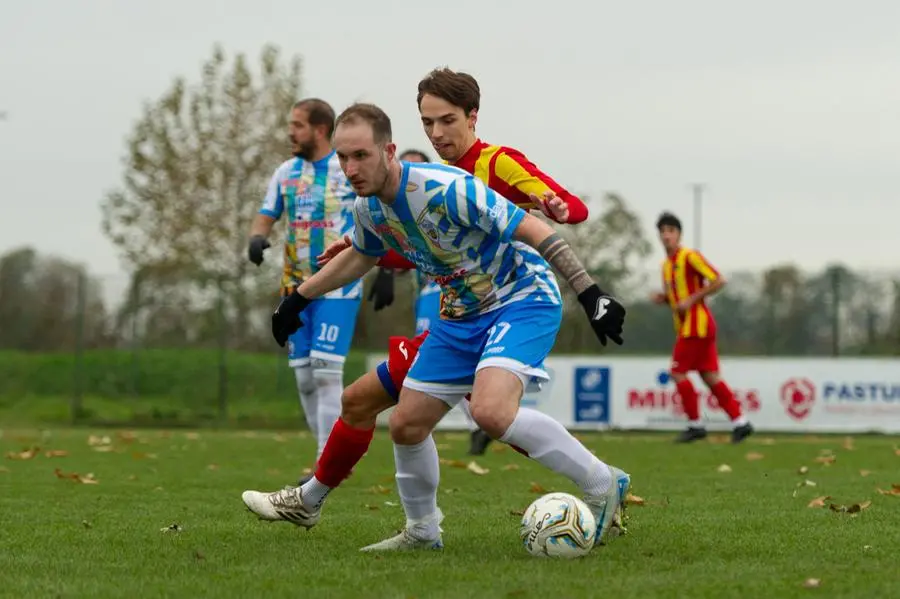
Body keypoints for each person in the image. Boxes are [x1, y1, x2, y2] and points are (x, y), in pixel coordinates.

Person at [243, 102, 631, 552]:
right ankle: (423, 533)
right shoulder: (369, 208)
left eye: (361, 156)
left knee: (489, 410)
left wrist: (589, 292)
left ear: (388, 151)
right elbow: (362, 255)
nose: (350, 168)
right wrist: (298, 299)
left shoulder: (446, 187)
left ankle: (603, 484)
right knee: (406, 424)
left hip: (520, 298)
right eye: (343, 158)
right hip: (460, 315)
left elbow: (534, 229)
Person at [246, 98, 363, 472]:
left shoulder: (345, 169)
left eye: (297, 125)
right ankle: (324, 457)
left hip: (338, 288)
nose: (290, 132)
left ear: (319, 130)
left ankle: (324, 467)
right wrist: (256, 238)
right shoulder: (285, 172)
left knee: (327, 372)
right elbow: (267, 213)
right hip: (292, 289)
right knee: (305, 379)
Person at [651, 212, 754, 443]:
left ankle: (695, 424)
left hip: (696, 325)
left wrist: (692, 299)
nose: (666, 236)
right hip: (690, 327)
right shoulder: (666, 265)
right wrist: (665, 299)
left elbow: (719, 279)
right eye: (663, 232)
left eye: (671, 231)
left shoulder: (689, 256)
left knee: (677, 373)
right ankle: (741, 422)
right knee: (710, 377)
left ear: (679, 234)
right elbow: (677, 297)